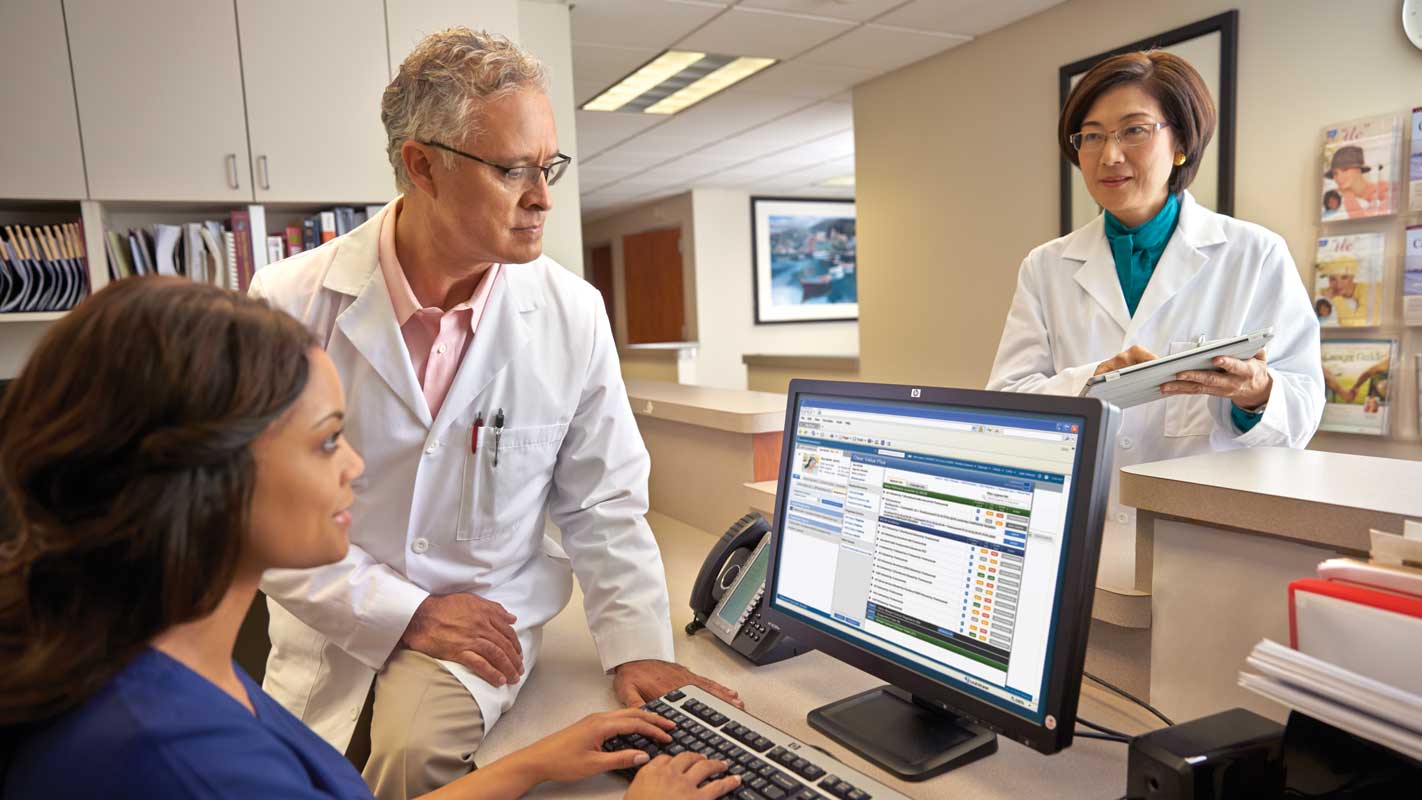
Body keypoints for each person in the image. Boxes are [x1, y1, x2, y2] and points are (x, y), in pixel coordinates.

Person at [0, 278, 740, 800]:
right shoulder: (181, 759)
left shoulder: (146, 665)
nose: (355, 465)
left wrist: (530, 766)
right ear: (207, 474)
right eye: (328, 442)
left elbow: (604, 500)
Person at [247, 27, 739, 799]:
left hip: (484, 626)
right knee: (290, 774)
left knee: (408, 762)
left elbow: (603, 501)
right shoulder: (287, 303)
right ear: (422, 166)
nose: (543, 197)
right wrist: (404, 611)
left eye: (549, 168)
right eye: (513, 170)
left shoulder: (571, 312)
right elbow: (249, 509)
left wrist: (637, 646)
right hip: (332, 616)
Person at [987, 51, 1323, 588]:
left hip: (1203, 547)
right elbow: (1007, 403)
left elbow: (1303, 408)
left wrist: (1257, 391)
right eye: (1090, 136)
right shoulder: (1046, 266)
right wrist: (1095, 381)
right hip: (1075, 540)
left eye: (1133, 131)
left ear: (1182, 141)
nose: (1109, 155)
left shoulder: (1253, 254)